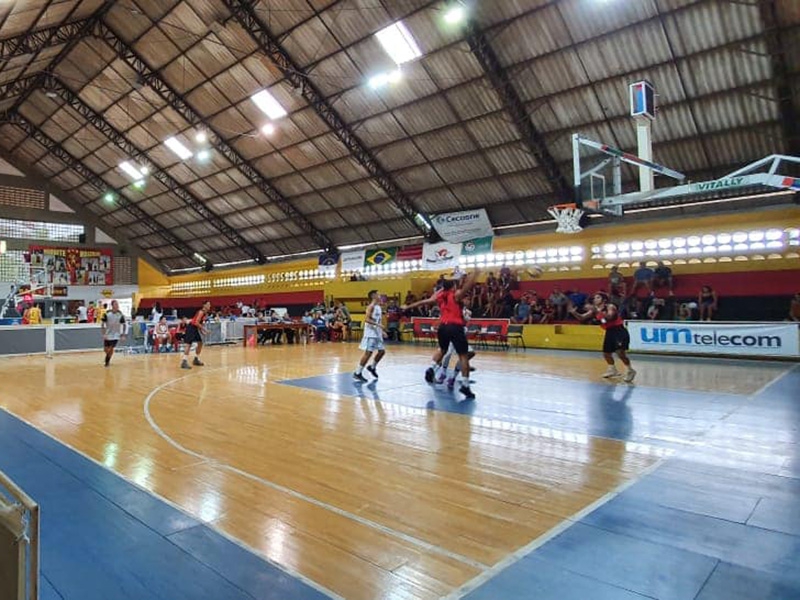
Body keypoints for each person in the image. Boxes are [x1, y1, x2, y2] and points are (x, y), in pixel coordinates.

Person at [403, 270, 479, 400]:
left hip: (442, 327)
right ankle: (465, 385)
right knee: (463, 356)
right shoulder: (456, 295)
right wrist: (475, 274)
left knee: (443, 350)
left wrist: (408, 307)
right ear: (454, 285)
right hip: (455, 326)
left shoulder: (439, 295)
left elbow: (424, 302)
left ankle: (432, 368)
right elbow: (468, 285)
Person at [571, 293, 636, 383]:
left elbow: (610, 317)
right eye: (594, 298)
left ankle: (630, 370)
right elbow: (582, 318)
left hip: (619, 331)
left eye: (598, 297)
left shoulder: (610, 306)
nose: (595, 299)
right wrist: (574, 312)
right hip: (609, 332)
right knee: (606, 353)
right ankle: (612, 370)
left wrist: (597, 311)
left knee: (620, 353)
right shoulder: (594, 310)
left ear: (604, 299)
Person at [353, 290, 386, 381]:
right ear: (373, 296)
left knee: (382, 352)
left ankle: (372, 367)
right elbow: (367, 319)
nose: (380, 296)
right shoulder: (370, 307)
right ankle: (357, 373)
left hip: (377, 333)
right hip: (370, 333)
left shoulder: (378, 307)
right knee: (368, 353)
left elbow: (378, 320)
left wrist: (381, 331)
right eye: (378, 294)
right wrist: (378, 325)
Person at [181, 301, 210, 369]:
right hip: (191, 327)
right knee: (188, 344)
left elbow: (199, 324)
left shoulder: (205, 313)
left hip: (195, 328)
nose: (209, 306)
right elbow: (196, 323)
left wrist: (202, 332)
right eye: (208, 304)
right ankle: (184, 361)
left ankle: (196, 359)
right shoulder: (201, 312)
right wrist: (204, 329)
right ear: (204, 305)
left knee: (200, 343)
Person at [101, 300, 126, 367]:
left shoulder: (120, 315)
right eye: (116, 304)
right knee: (106, 349)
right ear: (112, 305)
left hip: (116, 335)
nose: (117, 306)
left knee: (111, 348)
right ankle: (108, 357)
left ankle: (107, 362)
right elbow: (103, 324)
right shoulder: (107, 314)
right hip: (108, 334)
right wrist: (104, 334)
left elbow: (124, 325)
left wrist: (123, 334)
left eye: (118, 304)